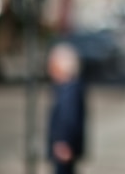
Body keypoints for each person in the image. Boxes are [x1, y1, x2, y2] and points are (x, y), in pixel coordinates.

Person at [46, 42, 87, 174]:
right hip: (65, 147)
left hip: (64, 148)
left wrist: (64, 142)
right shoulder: (69, 87)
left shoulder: (69, 89)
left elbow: (69, 118)